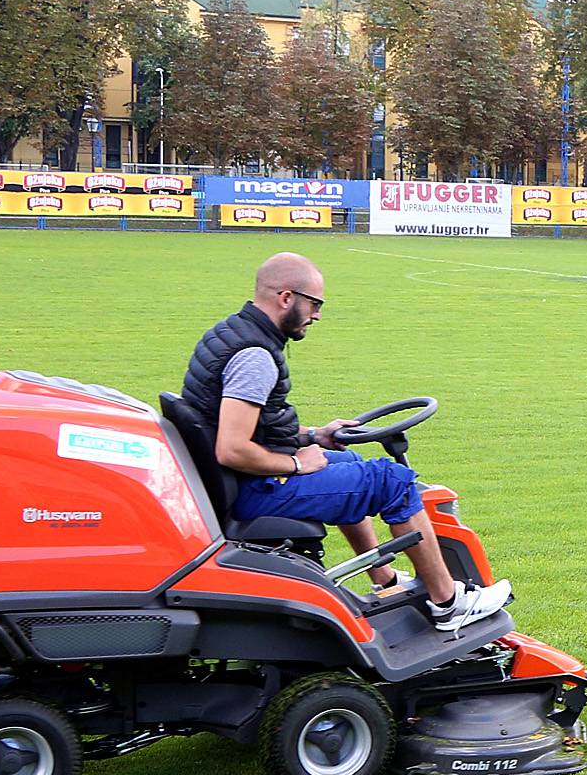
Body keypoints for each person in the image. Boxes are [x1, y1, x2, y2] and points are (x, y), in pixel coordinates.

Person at [180, 251, 512, 632]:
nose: (317, 314)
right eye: (314, 304)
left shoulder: (232, 332)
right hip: (252, 488)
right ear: (286, 297)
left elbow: (254, 426)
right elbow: (232, 447)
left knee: (351, 463)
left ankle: (384, 581)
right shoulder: (255, 355)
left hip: (233, 481)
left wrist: (313, 436)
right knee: (395, 482)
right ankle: (449, 603)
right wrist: (299, 463)